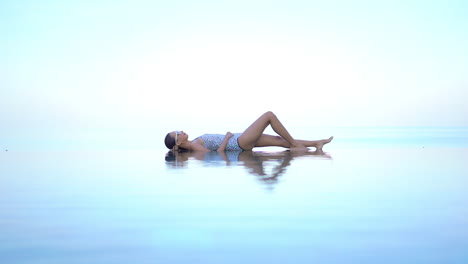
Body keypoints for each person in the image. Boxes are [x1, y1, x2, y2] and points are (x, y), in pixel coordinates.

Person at [164, 111, 333, 152]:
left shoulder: (194, 142)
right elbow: (214, 154)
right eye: (178, 133)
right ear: (178, 141)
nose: (182, 131)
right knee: (269, 116)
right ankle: (296, 144)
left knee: (280, 141)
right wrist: (227, 138)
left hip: (238, 139)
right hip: (238, 142)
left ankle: (316, 144)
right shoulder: (194, 146)